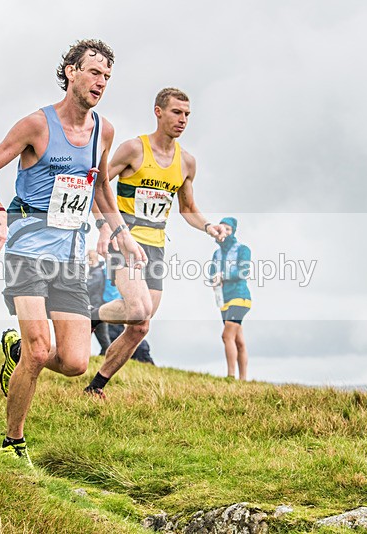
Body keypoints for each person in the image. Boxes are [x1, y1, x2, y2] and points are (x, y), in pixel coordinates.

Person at [0, 39, 146, 464]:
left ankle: (17, 352)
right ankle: (14, 443)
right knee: (39, 349)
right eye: (93, 72)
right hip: (27, 251)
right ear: (70, 72)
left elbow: (100, 184)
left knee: (74, 363)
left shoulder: (105, 130)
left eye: (107, 76)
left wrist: (121, 232)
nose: (100, 82)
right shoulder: (36, 126)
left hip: (69, 256)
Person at [86, 88, 225, 395]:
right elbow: (95, 185)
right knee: (137, 310)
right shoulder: (133, 149)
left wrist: (209, 226)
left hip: (156, 246)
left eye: (187, 114)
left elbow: (188, 209)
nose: (183, 119)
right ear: (159, 112)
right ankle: (93, 315)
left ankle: (96, 385)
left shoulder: (186, 162)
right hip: (125, 238)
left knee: (140, 325)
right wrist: (104, 226)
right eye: (177, 112)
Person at [209, 217, 251, 380]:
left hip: (240, 297)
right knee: (237, 340)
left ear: (233, 231)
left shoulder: (243, 249)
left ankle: (231, 376)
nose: (224, 231)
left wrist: (223, 276)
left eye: (228, 229)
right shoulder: (216, 253)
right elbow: (212, 273)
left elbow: (243, 272)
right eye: (222, 228)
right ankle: (243, 380)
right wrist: (213, 279)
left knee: (226, 336)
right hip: (223, 300)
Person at [86, 249, 110, 355]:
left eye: (89, 258)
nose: (88, 261)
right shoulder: (95, 271)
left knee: (102, 337)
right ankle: (105, 354)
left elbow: (88, 288)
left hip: (96, 308)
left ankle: (107, 354)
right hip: (97, 308)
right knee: (102, 336)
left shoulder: (97, 273)